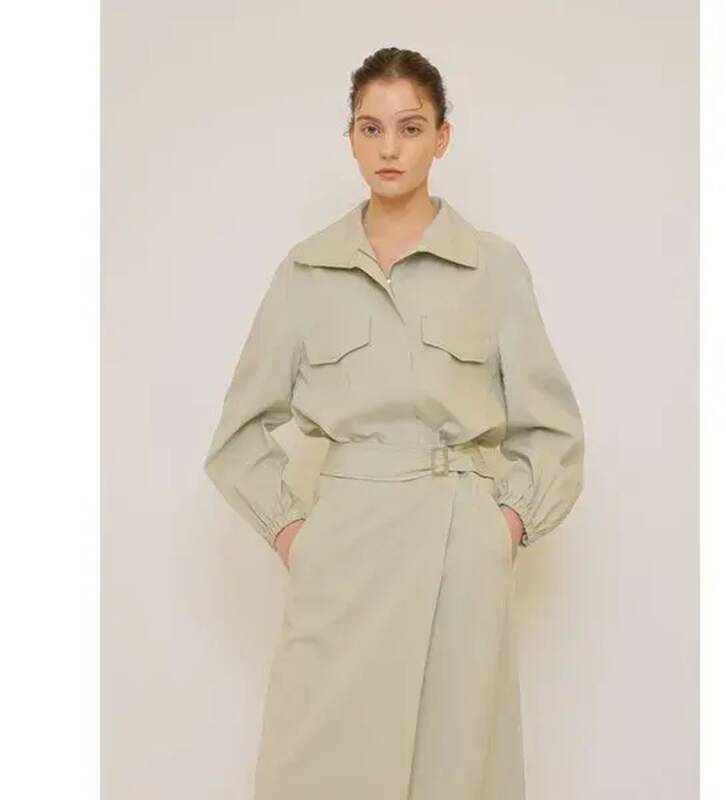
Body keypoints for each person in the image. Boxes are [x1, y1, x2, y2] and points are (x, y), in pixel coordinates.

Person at [203, 46, 584, 800]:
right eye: (370, 128)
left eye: (410, 128)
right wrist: (296, 537)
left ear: (442, 137)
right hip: (344, 544)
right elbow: (238, 434)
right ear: (349, 138)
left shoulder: (493, 267)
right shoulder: (306, 272)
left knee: (455, 761)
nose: (389, 148)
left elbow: (552, 428)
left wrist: (502, 528)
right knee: (315, 762)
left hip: (459, 544)